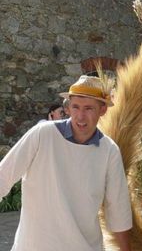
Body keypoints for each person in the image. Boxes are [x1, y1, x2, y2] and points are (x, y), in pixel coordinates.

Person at [0, 75, 132, 250]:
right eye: (75, 107)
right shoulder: (42, 134)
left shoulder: (109, 151)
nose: (81, 116)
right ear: (68, 107)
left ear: (102, 110)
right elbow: (3, 176)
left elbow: (118, 210)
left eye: (88, 108)